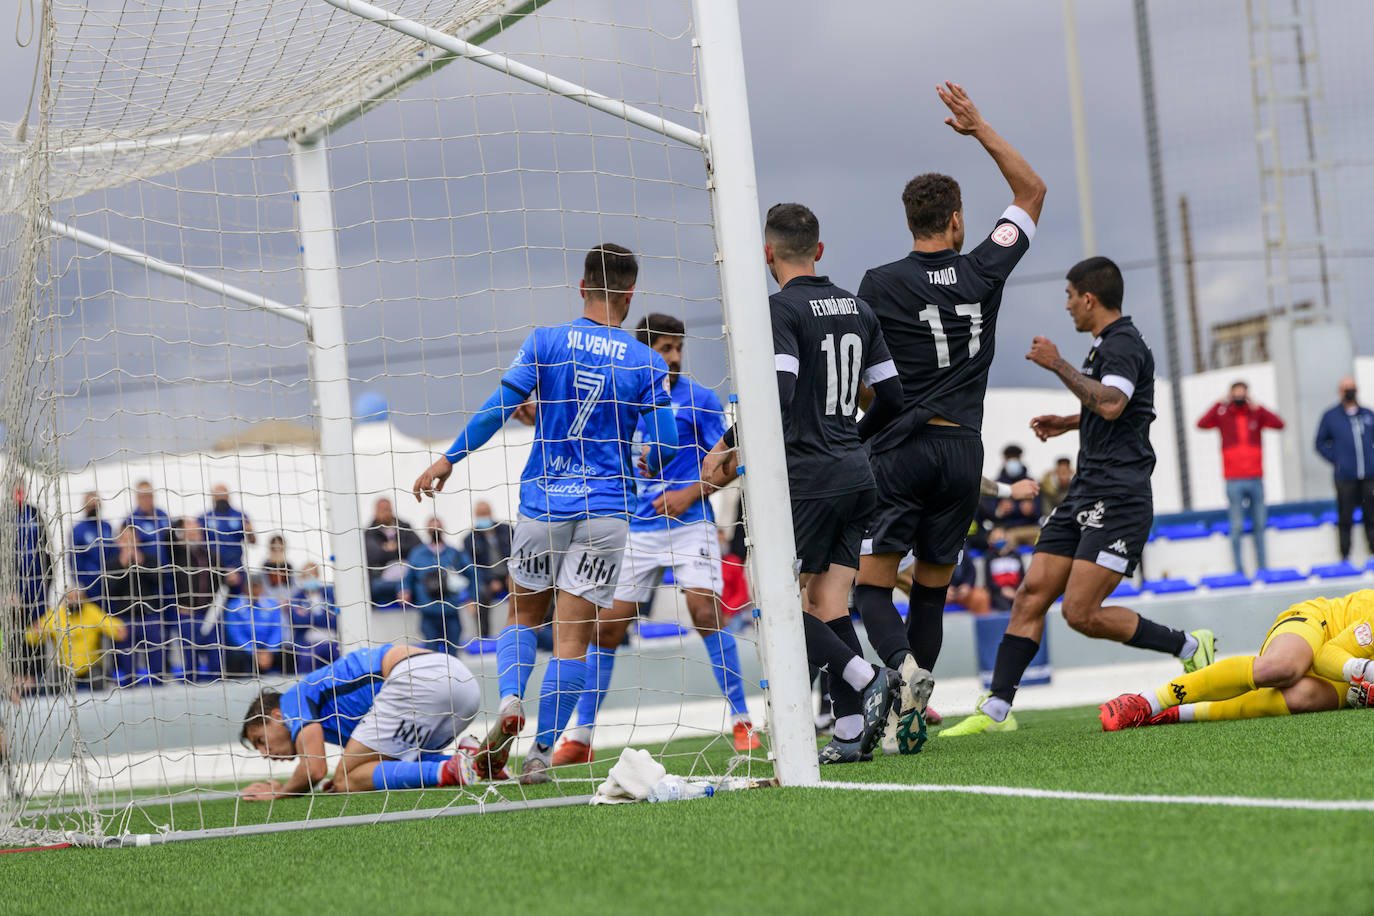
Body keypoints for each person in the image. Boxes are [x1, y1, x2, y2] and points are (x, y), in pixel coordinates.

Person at [412, 242, 679, 784]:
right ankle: (539, 755)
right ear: (630, 294)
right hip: (607, 513)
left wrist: (447, 459)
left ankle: (511, 699)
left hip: (544, 504)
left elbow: (499, 407)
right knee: (573, 639)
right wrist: (647, 457)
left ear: (581, 287)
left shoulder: (546, 342)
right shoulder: (647, 361)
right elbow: (666, 444)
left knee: (523, 616)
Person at [851, 80, 1045, 754]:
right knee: (930, 594)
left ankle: (901, 679)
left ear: (912, 222)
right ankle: (913, 706)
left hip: (901, 450)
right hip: (964, 452)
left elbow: (867, 380)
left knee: (873, 589)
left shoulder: (879, 283)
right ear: (957, 220)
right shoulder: (984, 268)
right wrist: (979, 127)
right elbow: (1032, 192)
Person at [942, 256, 1213, 737]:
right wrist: (1068, 422)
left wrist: (1057, 364)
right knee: (1030, 594)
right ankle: (998, 710)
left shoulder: (1123, 344)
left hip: (1120, 496)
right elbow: (1113, 405)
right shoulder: (1106, 346)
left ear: (1089, 297)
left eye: (1069, 296)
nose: (1066, 305)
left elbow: (1112, 403)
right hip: (1083, 491)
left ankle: (1190, 646)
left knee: (1079, 613)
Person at [703, 202, 904, 765]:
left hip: (808, 477)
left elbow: (780, 394)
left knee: (778, 605)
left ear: (768, 255)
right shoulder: (860, 309)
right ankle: (846, 731)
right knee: (827, 604)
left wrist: (726, 448)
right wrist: (852, 439)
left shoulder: (779, 309)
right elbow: (891, 398)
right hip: (855, 473)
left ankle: (866, 681)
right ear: (819, 250)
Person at [554, 313, 757, 766]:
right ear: (646, 352)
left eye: (679, 347)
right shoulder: (621, 399)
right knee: (605, 629)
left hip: (691, 525)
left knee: (703, 609)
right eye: (665, 348)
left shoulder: (699, 400)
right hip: (636, 530)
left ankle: (743, 721)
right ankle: (581, 738)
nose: (675, 356)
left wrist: (689, 494)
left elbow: (730, 460)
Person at [1099, 589, 1374, 729]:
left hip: (1349, 660)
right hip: (1322, 624)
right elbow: (1327, 656)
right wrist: (1364, 671)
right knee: (1284, 668)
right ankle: (1147, 701)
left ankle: (1175, 713)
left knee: (1303, 698)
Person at [239, 644, 481, 798]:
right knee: (364, 772)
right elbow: (389, 761)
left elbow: (315, 770)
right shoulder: (334, 719)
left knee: (346, 777)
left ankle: (446, 771)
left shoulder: (293, 698)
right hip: (464, 687)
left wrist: (279, 793)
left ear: (277, 716)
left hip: (418, 677)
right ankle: (478, 761)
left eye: (260, 740)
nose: (263, 752)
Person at [1197, 381, 1284, 572]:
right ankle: (1239, 569)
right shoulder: (1223, 414)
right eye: (1235, 393)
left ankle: (1262, 567)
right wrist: (1219, 404)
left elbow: (1279, 424)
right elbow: (1201, 423)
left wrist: (1258, 406)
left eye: (1241, 393)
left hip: (1255, 478)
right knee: (1236, 526)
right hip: (1234, 479)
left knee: (1259, 525)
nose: (1238, 397)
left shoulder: (1256, 413)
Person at [1315, 377, 1374, 563]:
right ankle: (1345, 555)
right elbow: (1320, 443)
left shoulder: (1367, 414)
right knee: (1345, 516)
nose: (1349, 392)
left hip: (1369, 475)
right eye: (1345, 389)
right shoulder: (1331, 416)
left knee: (1371, 515)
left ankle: (1372, 551)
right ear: (1340, 392)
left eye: (1352, 388)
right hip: (1345, 477)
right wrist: (1338, 459)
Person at [104, 524, 168, 683]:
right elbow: (110, 590)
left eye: (132, 539)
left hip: (149, 618)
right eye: (125, 539)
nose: (129, 543)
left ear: (138, 540)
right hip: (125, 620)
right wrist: (123, 567)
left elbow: (159, 582)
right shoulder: (112, 564)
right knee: (128, 670)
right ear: (118, 542)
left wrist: (143, 565)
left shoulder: (150, 559)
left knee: (157, 666)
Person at [26, 588, 126, 690]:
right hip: (65, 668)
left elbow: (112, 625)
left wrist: (118, 629)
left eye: (77, 597)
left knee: (99, 681)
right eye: (70, 598)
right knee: (55, 685)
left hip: (91, 666)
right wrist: (35, 632)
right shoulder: (56, 615)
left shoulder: (92, 611)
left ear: (84, 598)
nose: (73, 601)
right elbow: (31, 636)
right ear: (64, 601)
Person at [404, 518, 476, 655]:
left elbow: (473, 573)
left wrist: (472, 597)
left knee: (453, 655)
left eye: (438, 528)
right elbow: (408, 578)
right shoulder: (417, 554)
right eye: (432, 528)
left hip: (451, 611)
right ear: (427, 531)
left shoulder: (454, 553)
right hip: (428, 612)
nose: (435, 532)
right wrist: (404, 591)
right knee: (431, 655)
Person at [169, 517, 219, 679]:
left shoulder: (208, 554)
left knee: (216, 662)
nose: (195, 531)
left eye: (197, 528)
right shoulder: (177, 552)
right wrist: (181, 527)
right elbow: (167, 536)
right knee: (191, 665)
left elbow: (219, 580)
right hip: (186, 615)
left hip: (208, 615)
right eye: (191, 528)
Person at [463, 501, 513, 638]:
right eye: (481, 513)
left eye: (485, 512)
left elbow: (518, 553)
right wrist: (491, 580)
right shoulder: (469, 539)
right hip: (488, 579)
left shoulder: (507, 530)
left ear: (491, 512)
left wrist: (512, 575)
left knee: (526, 591)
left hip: (510, 575)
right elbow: (473, 565)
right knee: (481, 595)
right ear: (475, 515)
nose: (484, 516)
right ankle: (484, 635)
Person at [222, 573, 286, 676]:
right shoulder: (234, 606)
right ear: (244, 587)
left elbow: (277, 630)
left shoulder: (272, 604)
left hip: (266, 647)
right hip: (245, 648)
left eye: (257, 586)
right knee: (234, 657)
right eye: (251, 586)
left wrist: (269, 650)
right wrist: (253, 652)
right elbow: (235, 634)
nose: (254, 590)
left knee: (288, 653)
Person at [199, 484, 256, 594]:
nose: (220, 498)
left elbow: (253, 542)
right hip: (213, 568)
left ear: (228, 496)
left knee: (237, 603)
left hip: (236, 568)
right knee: (214, 605)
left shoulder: (240, 515)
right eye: (217, 495)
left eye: (223, 495)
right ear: (212, 497)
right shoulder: (204, 518)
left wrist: (250, 532)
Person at [364, 498, 420, 607]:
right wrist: (398, 551)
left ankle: (404, 591)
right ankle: (403, 591)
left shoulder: (405, 527)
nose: (385, 512)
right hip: (382, 580)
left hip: (408, 576)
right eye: (382, 510)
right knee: (377, 587)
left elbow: (418, 548)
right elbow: (374, 555)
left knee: (424, 586)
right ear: (375, 512)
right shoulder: (369, 533)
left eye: (387, 509)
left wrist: (395, 547)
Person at [288, 562, 339, 672]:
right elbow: (299, 622)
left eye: (313, 575)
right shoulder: (296, 598)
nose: (310, 578)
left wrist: (310, 616)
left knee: (342, 660)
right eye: (306, 576)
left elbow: (336, 621)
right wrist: (325, 616)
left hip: (332, 641)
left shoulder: (330, 594)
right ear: (301, 578)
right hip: (308, 644)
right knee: (307, 660)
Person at [987, 445, 1040, 547]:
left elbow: (1040, 512)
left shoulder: (1031, 483)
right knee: (1004, 539)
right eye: (1009, 458)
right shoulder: (996, 484)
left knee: (1043, 540)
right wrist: (999, 511)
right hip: (1005, 529)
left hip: (1029, 528)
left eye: (1015, 458)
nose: (1013, 461)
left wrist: (1032, 511)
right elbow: (987, 512)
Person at [70, 492, 117, 607]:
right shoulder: (78, 530)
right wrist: (80, 584)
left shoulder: (107, 527)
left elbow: (114, 553)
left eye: (96, 504)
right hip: (89, 585)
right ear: (84, 506)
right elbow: (74, 560)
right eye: (90, 505)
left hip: (109, 583)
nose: (93, 508)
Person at [983, 526, 1024, 612]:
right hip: (998, 593)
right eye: (996, 538)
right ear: (990, 541)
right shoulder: (989, 557)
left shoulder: (1016, 555)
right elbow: (989, 581)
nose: (999, 540)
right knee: (1006, 609)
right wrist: (1002, 590)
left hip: (1016, 591)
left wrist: (1015, 591)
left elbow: (1023, 577)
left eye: (1001, 537)